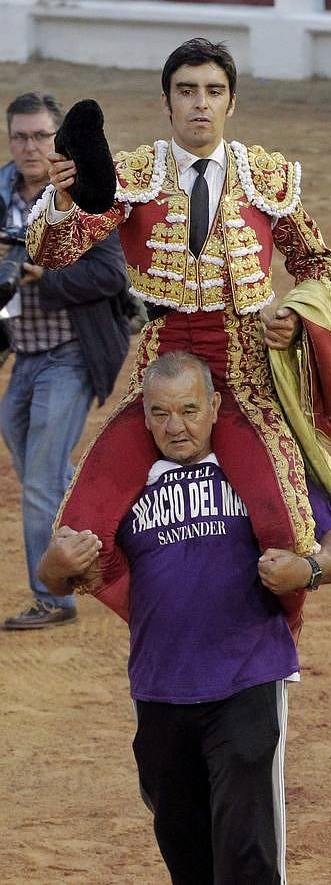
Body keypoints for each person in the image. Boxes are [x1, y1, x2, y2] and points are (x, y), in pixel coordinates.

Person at [27, 37, 331, 635]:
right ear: (166, 103)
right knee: (82, 519)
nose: (200, 104)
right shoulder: (130, 176)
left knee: (286, 525)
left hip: (244, 373)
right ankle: (156, 614)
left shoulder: (269, 178)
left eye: (213, 91)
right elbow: (54, 251)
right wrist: (65, 197)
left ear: (232, 102)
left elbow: (319, 264)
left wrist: (297, 315)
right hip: (162, 369)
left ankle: (267, 639)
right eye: (186, 91)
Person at [38, 351, 331, 884]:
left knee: (247, 859)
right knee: (185, 856)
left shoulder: (262, 466)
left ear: (214, 408)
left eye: (189, 410)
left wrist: (309, 570)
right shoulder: (123, 483)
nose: (175, 427)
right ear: (142, 415)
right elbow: (57, 577)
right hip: (160, 689)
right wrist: (52, 566)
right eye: (160, 413)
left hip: (246, 682)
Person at [0, 91, 131, 630]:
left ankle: (54, 597)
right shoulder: (1, 193)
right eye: (20, 136)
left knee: (38, 480)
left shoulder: (86, 192)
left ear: (58, 139)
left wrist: (43, 277)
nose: (30, 147)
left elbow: (112, 275)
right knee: (40, 469)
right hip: (25, 354)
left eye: (41, 136)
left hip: (75, 353)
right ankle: (116, 525)